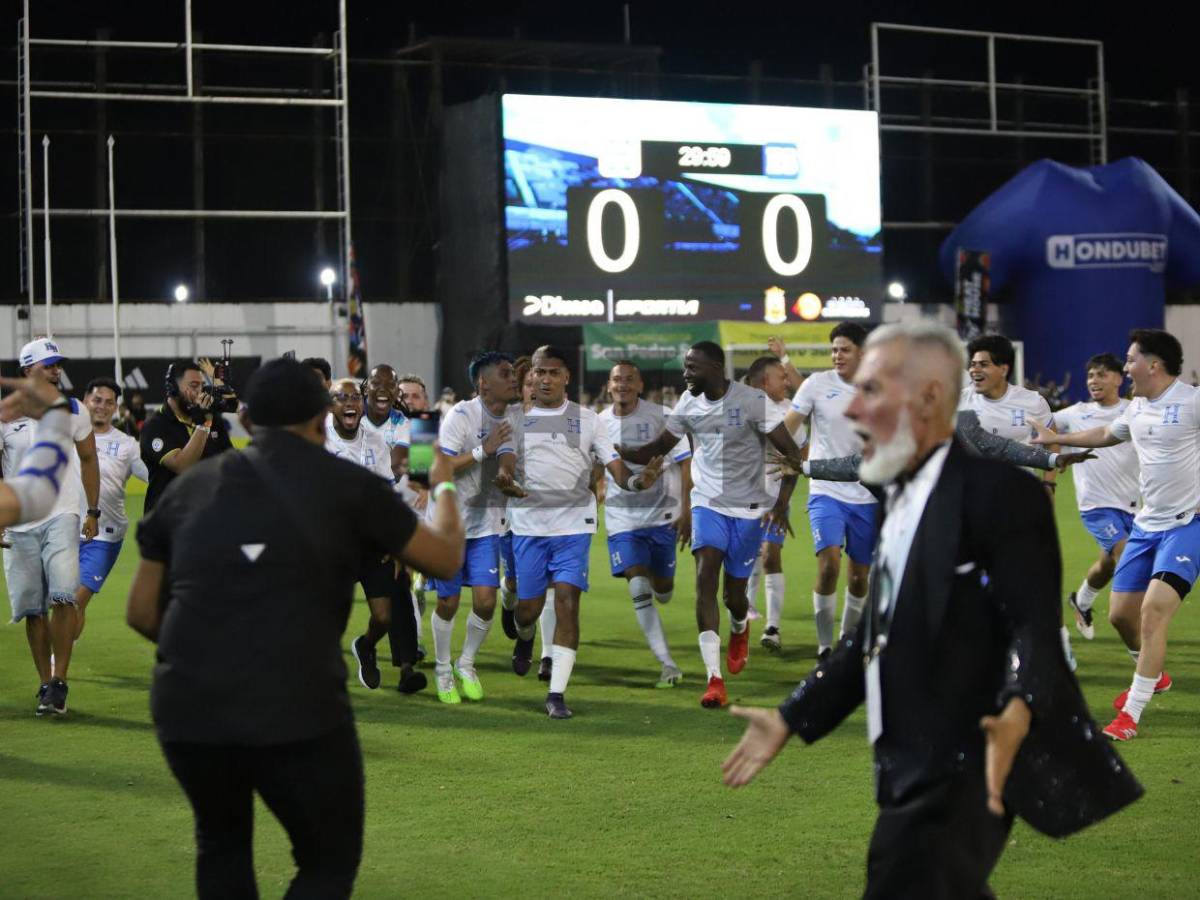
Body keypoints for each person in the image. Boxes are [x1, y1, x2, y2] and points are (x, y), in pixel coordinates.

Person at [722, 321, 1142, 898]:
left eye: (872, 391)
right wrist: (792, 715)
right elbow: (877, 629)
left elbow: (1034, 624)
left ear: (929, 397)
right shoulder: (899, 491)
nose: (852, 412)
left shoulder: (998, 493)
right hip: (904, 757)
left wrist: (1018, 709)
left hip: (968, 757)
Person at [126, 357, 465, 899]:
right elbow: (445, 559)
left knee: (222, 845)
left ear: (249, 422)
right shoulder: (348, 485)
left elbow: (142, 611)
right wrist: (442, 484)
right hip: (296, 702)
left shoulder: (191, 489)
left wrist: (214, 656)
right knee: (327, 862)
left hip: (189, 704)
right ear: (321, 418)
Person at [618, 342, 806, 709]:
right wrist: (614, 450)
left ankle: (740, 625)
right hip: (707, 503)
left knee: (734, 597)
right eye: (685, 367)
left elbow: (791, 453)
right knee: (705, 576)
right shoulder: (688, 405)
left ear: (716, 367)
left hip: (749, 508)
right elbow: (655, 448)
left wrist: (781, 505)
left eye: (693, 367)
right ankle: (714, 680)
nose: (685, 374)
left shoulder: (752, 401)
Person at [1033, 329, 1197, 740]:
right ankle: (1152, 675)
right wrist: (1059, 439)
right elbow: (1107, 434)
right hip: (1145, 524)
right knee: (1121, 615)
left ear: (1153, 365)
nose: (1125, 368)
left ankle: (1131, 716)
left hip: (1187, 525)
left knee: (1153, 611)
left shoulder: (1192, 402)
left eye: (1130, 359)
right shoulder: (1137, 408)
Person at [496, 345, 665, 719]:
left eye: (553, 373)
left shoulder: (589, 420)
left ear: (566, 378)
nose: (545, 379)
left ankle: (556, 693)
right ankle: (524, 637)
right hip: (529, 527)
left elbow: (616, 468)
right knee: (528, 611)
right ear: (532, 376)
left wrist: (638, 482)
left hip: (574, 526)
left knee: (568, 602)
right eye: (539, 372)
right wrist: (505, 477)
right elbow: (505, 460)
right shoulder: (515, 418)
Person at [0, 339, 100, 716]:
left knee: (63, 597)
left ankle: (60, 680)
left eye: (58, 364)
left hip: (63, 514)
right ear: (28, 371)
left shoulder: (74, 409)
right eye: (48, 364)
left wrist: (92, 510)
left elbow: (89, 459)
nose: (56, 370)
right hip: (20, 520)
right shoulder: (6, 415)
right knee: (32, 609)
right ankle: (45, 683)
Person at [325, 378, 427, 695]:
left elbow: (418, 479)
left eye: (353, 397)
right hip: (334, 544)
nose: (350, 402)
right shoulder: (318, 438)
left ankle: (395, 658)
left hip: (390, 529)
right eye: (342, 397)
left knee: (389, 611)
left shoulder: (419, 425)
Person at [427, 352, 518, 703]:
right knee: (448, 601)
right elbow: (442, 467)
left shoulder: (508, 416)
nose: (514, 378)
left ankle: (466, 663)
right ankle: (442, 667)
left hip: (485, 523)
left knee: (485, 601)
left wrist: (507, 474)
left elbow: (507, 454)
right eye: (505, 373)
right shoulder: (460, 415)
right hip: (450, 523)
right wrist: (484, 450)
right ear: (483, 382)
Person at [784, 323, 876, 660]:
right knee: (829, 563)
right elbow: (789, 425)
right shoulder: (816, 385)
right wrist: (774, 451)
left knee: (859, 576)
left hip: (868, 495)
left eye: (845, 349)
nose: (837, 355)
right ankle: (825, 647)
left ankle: (845, 643)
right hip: (826, 490)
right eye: (834, 350)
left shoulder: (879, 388)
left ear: (862, 352)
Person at [598, 360, 690, 688]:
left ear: (639, 385)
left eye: (629, 379)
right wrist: (594, 487)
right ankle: (667, 664)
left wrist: (687, 509)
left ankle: (660, 583)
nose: (622, 384)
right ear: (609, 386)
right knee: (639, 586)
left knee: (662, 590)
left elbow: (684, 461)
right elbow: (596, 463)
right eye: (616, 380)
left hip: (662, 516)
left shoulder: (661, 416)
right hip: (622, 519)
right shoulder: (599, 423)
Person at [1052, 354, 1140, 642]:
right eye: (1090, 375)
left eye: (1101, 374)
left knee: (1108, 563)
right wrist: (1052, 457)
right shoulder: (1075, 413)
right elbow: (1044, 426)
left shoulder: (1134, 410)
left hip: (1132, 505)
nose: (1094, 381)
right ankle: (1137, 633)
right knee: (1126, 555)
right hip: (1096, 506)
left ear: (1119, 378)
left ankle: (1082, 600)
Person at [72, 377, 149, 639]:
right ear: (85, 402)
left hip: (104, 535)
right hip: (64, 531)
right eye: (97, 400)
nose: (102, 406)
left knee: (75, 602)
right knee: (64, 605)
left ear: (116, 408)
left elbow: (155, 476)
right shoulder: (64, 437)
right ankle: (60, 655)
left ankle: (55, 664)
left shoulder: (127, 445)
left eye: (109, 402)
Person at [745, 355, 807, 652]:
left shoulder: (789, 414)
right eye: (781, 376)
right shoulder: (740, 409)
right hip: (740, 502)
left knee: (770, 555)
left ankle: (772, 628)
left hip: (773, 499)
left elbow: (795, 459)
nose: (787, 381)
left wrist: (782, 504)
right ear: (764, 381)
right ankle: (743, 613)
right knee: (747, 559)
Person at [140, 361, 234, 514]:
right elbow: (183, 466)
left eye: (202, 386)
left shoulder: (211, 418)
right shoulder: (155, 426)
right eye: (194, 385)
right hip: (167, 524)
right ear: (173, 389)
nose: (200, 392)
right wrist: (204, 424)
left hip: (205, 519)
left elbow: (230, 462)